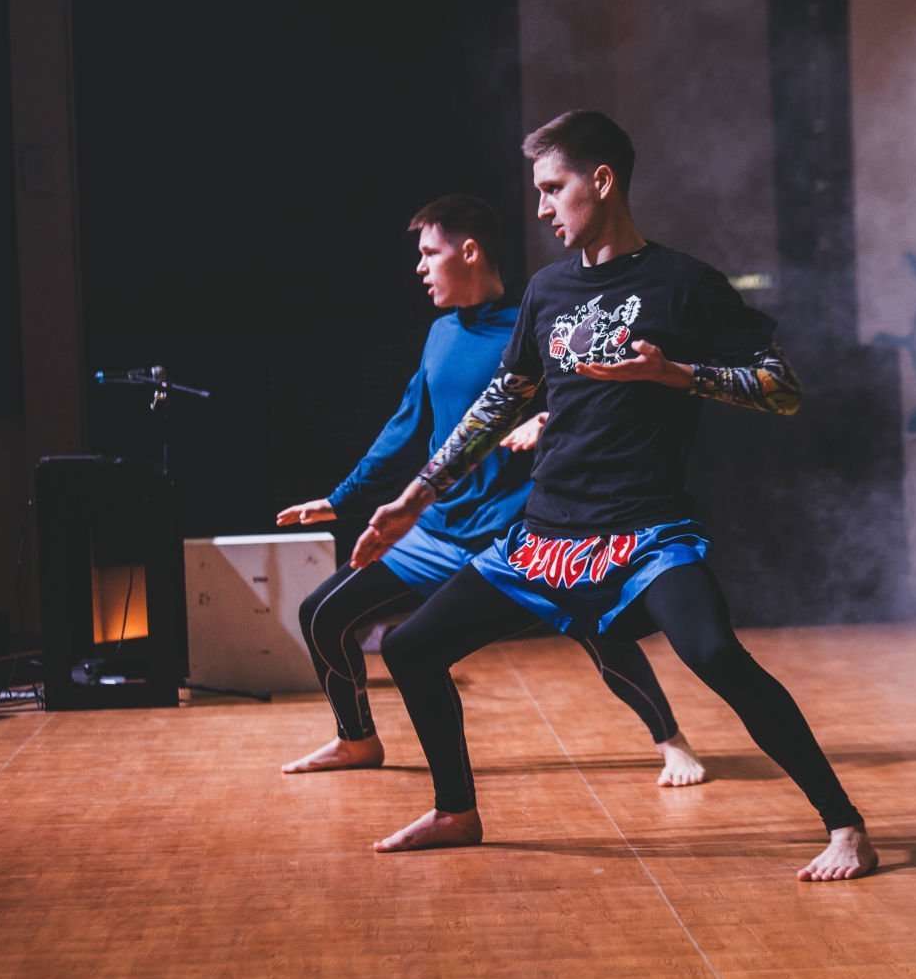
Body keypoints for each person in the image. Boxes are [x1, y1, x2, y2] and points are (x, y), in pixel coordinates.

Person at [356, 112, 877, 881]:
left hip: (646, 532)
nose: (541, 208)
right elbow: (500, 402)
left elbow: (783, 387)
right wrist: (413, 497)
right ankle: (456, 810)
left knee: (714, 654)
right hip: (546, 535)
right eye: (538, 191)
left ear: (600, 181)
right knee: (409, 646)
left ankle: (846, 825)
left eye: (552, 188)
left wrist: (677, 374)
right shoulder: (547, 290)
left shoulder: (685, 284)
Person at [274, 193, 706, 788]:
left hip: (519, 531)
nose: (420, 267)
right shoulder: (440, 334)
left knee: (599, 629)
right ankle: (357, 739)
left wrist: (547, 420)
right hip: (438, 531)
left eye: (431, 253)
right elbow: (405, 424)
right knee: (322, 613)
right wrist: (341, 499)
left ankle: (671, 741)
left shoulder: (540, 323)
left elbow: (602, 405)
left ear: (470, 252)